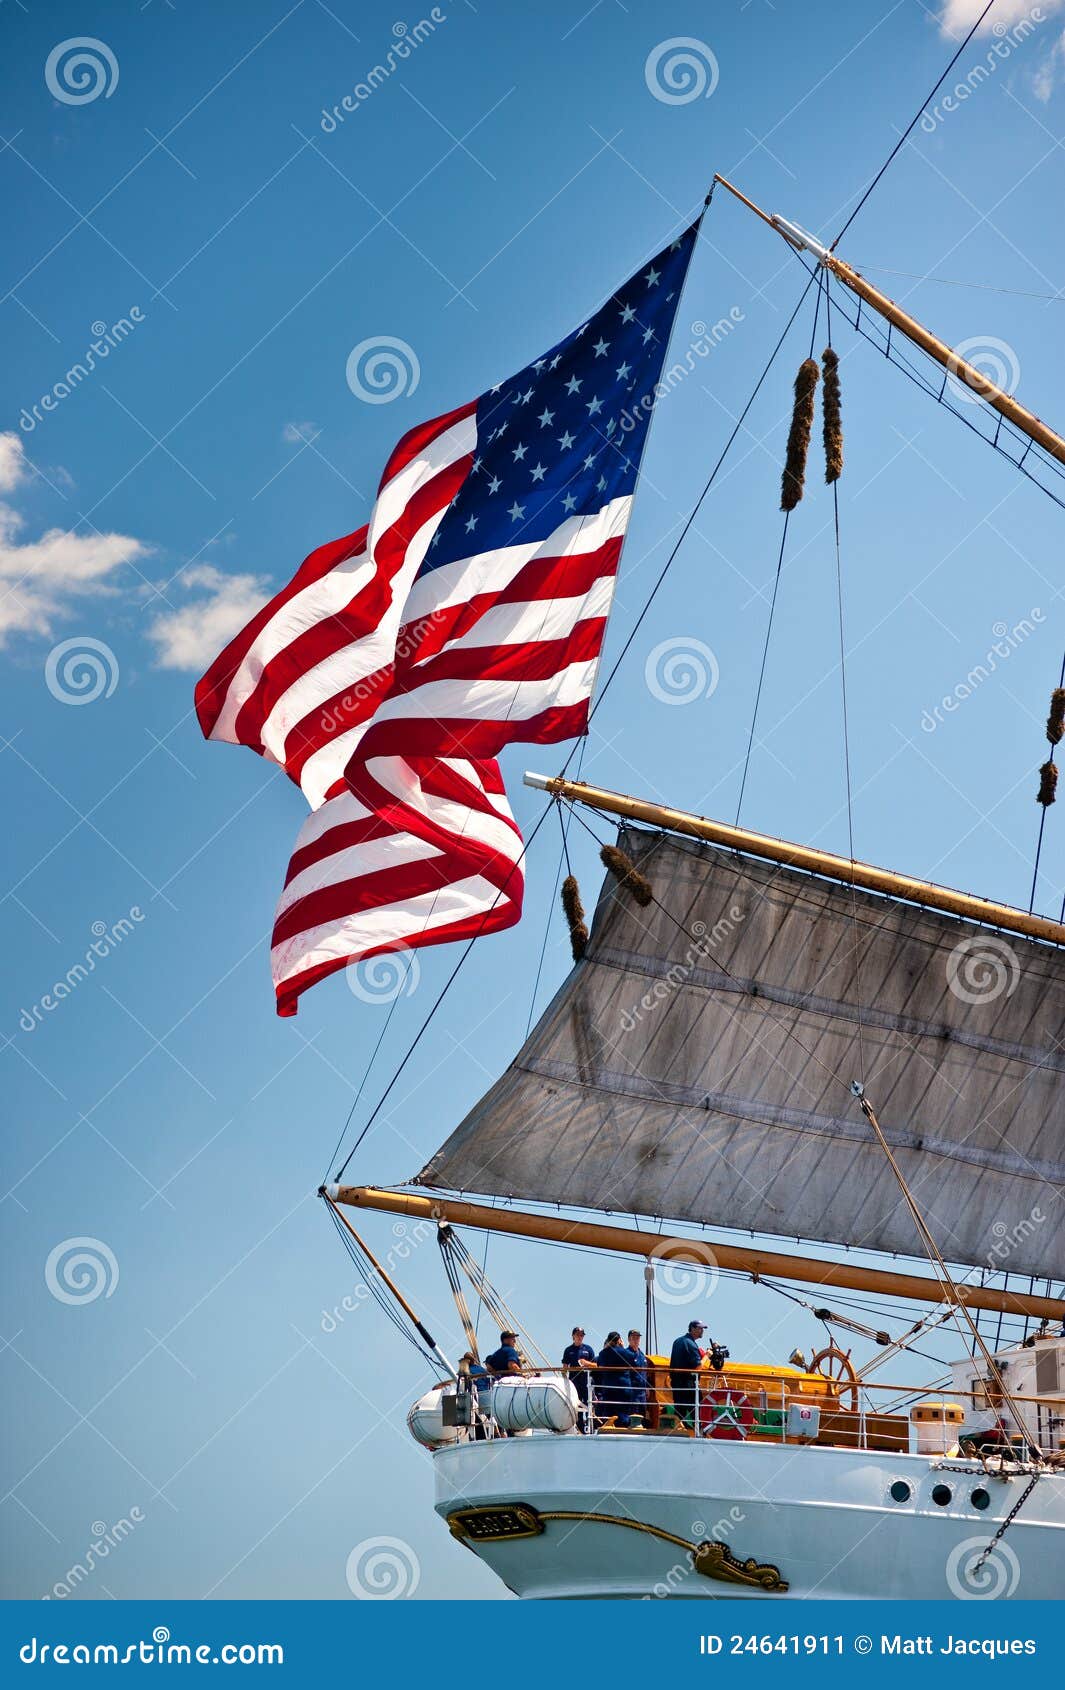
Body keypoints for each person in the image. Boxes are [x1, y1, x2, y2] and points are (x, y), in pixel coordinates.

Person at [669, 1320, 707, 1430]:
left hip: (677, 1383)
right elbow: (698, 1367)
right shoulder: (690, 1344)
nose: (702, 1331)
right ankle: (699, 1432)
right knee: (697, 1412)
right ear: (693, 1329)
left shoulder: (678, 1341)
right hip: (689, 1385)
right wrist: (707, 1356)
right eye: (700, 1328)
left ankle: (679, 1431)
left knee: (680, 1410)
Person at [596, 1330, 633, 1427]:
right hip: (624, 1388)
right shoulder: (625, 1352)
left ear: (609, 1340)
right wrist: (622, 1347)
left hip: (609, 1388)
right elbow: (632, 1361)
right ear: (619, 1340)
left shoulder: (603, 1353)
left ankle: (609, 1428)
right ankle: (623, 1429)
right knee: (624, 1414)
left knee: (609, 1413)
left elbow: (599, 1365)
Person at [562, 1326, 596, 1430]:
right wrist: (565, 1382)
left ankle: (591, 1425)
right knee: (576, 1405)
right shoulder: (568, 1350)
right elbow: (564, 1368)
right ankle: (579, 1426)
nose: (580, 1337)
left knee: (589, 1404)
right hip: (574, 1383)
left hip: (586, 1382)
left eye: (582, 1335)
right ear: (573, 1336)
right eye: (578, 1335)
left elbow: (595, 1365)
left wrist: (586, 1363)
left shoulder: (588, 1349)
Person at [624, 1329, 650, 1426]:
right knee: (632, 1415)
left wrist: (647, 1387)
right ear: (629, 1339)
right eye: (633, 1337)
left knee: (642, 1414)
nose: (636, 1340)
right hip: (632, 1391)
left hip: (642, 1392)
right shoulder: (626, 1354)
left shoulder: (642, 1355)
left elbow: (645, 1372)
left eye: (638, 1338)